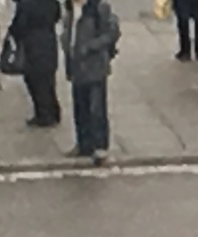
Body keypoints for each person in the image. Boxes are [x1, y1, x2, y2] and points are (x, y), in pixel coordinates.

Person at [63, 0, 119, 163]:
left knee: (97, 108)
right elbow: (69, 36)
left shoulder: (99, 8)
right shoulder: (70, 10)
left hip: (95, 66)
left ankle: (100, 146)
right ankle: (84, 144)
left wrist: (90, 46)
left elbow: (111, 32)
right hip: (77, 66)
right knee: (80, 108)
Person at [9, 0, 62, 127]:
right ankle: (53, 111)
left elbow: (19, 25)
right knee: (48, 79)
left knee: (34, 80)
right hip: (49, 41)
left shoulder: (26, 3)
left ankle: (43, 114)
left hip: (32, 44)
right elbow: (57, 16)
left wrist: (13, 33)